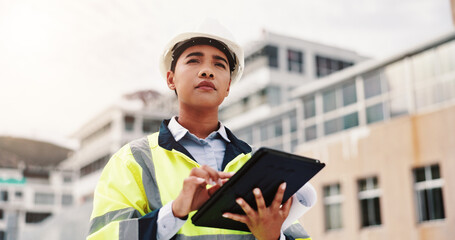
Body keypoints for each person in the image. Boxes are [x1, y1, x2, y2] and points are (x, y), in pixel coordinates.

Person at [87, 19, 315, 240]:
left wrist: (272, 238)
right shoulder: (133, 161)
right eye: (194, 60)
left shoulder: (259, 164)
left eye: (219, 64)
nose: (207, 71)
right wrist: (174, 212)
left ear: (228, 86)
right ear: (171, 79)